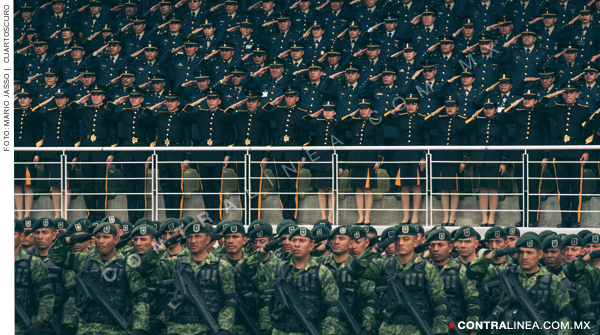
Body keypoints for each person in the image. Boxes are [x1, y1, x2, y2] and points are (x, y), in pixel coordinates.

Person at [48, 222, 150, 335]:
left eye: (106, 237)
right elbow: (55, 256)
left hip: (116, 328)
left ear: (116, 239)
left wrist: (139, 328)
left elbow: (141, 297)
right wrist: (69, 240)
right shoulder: (85, 259)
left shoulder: (128, 263)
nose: (101, 241)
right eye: (98, 237)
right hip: (86, 328)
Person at [347, 223, 449, 334]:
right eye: (398, 240)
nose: (401, 243)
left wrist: (440, 332)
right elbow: (353, 270)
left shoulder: (427, 269)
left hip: (417, 329)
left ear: (415, 242)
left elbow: (440, 305)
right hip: (388, 329)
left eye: (406, 239)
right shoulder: (383, 265)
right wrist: (377, 248)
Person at [238, 226, 341, 334]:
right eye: (293, 240)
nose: (297, 244)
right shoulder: (277, 268)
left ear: (311, 246)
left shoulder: (322, 272)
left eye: (302, 241)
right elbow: (245, 270)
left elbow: (333, 309)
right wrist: (264, 249)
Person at [139, 221, 236, 335]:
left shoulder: (222, 266)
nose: (193, 241)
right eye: (189, 237)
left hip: (207, 329)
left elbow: (230, 301)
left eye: (197, 236)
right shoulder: (175, 263)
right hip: (177, 329)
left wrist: (225, 328)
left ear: (208, 240)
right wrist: (161, 247)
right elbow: (146, 270)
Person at [468, 235, 572, 334]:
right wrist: (495, 253)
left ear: (540, 254)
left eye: (529, 252)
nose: (524, 257)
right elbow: (473, 271)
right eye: (521, 253)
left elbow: (565, 316)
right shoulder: (505, 273)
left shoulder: (553, 281)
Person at [537, 82, 594, 228]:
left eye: (571, 92)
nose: (568, 95)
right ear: (562, 94)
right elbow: (538, 108)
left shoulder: (583, 110)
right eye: (566, 92)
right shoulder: (557, 108)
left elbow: (588, 131)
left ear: (577, 94)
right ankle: (564, 220)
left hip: (576, 152)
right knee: (561, 188)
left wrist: (587, 151)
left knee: (576, 188)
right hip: (560, 152)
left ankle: (575, 220)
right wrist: (552, 95)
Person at [496, 91, 551, 227]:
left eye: (530, 99)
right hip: (520, 155)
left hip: (536, 155)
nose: (527, 101)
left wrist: (545, 156)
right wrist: (512, 105)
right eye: (525, 99)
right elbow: (500, 118)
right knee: (522, 188)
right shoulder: (518, 113)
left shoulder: (541, 115)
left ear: (535, 100)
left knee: (533, 188)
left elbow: (546, 136)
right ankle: (524, 218)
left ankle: (533, 219)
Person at [64, 84, 118, 221]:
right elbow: (66, 112)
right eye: (93, 94)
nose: (95, 97)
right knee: (87, 186)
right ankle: (91, 215)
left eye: (98, 94)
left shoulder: (107, 111)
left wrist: (111, 153)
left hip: (102, 150)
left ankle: (101, 216)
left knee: (101, 186)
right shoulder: (85, 110)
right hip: (86, 150)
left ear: (103, 96)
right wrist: (78, 102)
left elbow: (114, 135)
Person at [182, 89, 235, 224]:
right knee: (206, 188)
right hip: (202, 155)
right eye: (209, 99)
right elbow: (181, 116)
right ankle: (208, 216)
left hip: (218, 154)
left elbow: (231, 137)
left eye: (214, 99)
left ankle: (217, 217)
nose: (211, 101)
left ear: (219, 101)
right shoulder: (201, 113)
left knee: (217, 188)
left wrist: (228, 155)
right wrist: (194, 104)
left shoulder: (223, 115)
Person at [257, 86, 309, 222]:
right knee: (282, 186)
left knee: (293, 186)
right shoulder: (278, 111)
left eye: (291, 96)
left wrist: (304, 155)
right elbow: (260, 115)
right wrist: (272, 103)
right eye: (286, 96)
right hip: (280, 152)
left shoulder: (302, 113)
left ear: (297, 98)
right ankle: (286, 216)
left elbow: (305, 136)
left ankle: (294, 216)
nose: (288, 98)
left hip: (295, 151)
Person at [220, 90, 271, 223]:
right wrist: (234, 106)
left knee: (255, 187)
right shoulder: (239, 115)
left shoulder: (262, 117)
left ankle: (255, 218)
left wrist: (265, 157)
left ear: (259, 103)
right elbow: (223, 118)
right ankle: (245, 217)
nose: (250, 104)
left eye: (253, 101)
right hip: (241, 153)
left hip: (256, 153)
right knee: (243, 187)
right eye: (248, 101)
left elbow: (268, 140)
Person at [105, 87, 155, 222]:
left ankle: (141, 217)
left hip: (141, 151)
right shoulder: (125, 112)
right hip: (127, 152)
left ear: (142, 99)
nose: (133, 99)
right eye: (131, 97)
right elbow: (106, 115)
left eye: (136, 97)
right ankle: (131, 217)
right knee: (129, 188)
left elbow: (152, 136)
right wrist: (115, 103)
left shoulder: (146, 113)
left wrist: (150, 155)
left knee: (141, 187)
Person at [140, 90, 192, 218]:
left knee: (176, 186)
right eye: (168, 101)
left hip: (177, 153)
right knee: (166, 186)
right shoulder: (161, 116)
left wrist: (187, 158)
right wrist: (152, 108)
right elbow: (142, 119)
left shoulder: (182, 117)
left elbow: (187, 139)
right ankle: (169, 216)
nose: (169, 103)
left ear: (178, 103)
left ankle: (177, 216)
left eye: (172, 101)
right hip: (163, 154)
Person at [28, 89, 79, 219]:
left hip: (67, 152)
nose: (59, 100)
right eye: (56, 98)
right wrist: (42, 104)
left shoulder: (71, 114)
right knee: (54, 184)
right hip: (50, 152)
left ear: (67, 99)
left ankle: (64, 213)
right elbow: (30, 115)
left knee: (66, 184)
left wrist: (75, 155)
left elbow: (76, 137)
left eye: (61, 97)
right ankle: (57, 214)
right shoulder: (50, 113)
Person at [319, 225, 376, 334]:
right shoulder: (320, 264)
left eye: (341, 238)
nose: (336, 242)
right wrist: (324, 245)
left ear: (350, 244)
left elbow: (369, 299)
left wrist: (368, 326)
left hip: (351, 327)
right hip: (323, 327)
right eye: (333, 239)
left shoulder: (359, 267)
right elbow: (300, 257)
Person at [335, 99, 385, 225]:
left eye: (366, 108)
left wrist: (379, 160)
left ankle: (367, 216)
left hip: (369, 159)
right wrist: (349, 116)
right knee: (358, 188)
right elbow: (337, 125)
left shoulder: (375, 123)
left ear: (370, 110)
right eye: (361, 108)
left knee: (367, 188)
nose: (363, 111)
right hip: (354, 159)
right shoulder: (354, 122)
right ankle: (360, 216)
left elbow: (380, 143)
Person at [424, 96, 470, 226]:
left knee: (454, 188)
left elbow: (466, 142)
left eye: (452, 106)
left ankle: (452, 216)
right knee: (444, 188)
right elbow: (424, 123)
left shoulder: (462, 121)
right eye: (447, 106)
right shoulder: (440, 120)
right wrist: (435, 112)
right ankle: (445, 216)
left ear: (457, 108)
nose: (450, 108)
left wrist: (464, 159)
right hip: (441, 158)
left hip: (455, 158)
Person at [384, 93, 429, 224]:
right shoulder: (401, 117)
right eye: (408, 104)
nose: (410, 106)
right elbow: (384, 120)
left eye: (413, 104)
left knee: (416, 185)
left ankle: (415, 215)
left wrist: (423, 157)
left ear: (418, 106)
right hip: (402, 155)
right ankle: (406, 216)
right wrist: (394, 110)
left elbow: (426, 140)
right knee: (404, 186)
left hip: (416, 156)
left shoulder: (422, 119)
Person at [297, 101, 345, 222]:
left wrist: (341, 165)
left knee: (331, 188)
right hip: (318, 159)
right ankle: (323, 216)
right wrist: (311, 116)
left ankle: (330, 215)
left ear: (334, 113)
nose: (327, 112)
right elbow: (300, 124)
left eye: (330, 111)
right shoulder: (318, 123)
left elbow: (342, 146)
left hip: (332, 159)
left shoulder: (338, 124)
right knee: (320, 188)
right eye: (325, 110)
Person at [541, 234, 599, 335]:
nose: (569, 253)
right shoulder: (537, 276)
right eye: (547, 252)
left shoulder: (578, 277)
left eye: (574, 249)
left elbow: (586, 313)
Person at [464, 99, 509, 226]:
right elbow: (463, 127)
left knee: (493, 188)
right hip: (480, 158)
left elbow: (505, 143)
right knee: (482, 188)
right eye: (486, 108)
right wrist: (474, 115)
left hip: (494, 158)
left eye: (491, 108)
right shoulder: (479, 121)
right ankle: (484, 217)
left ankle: (492, 217)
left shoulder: (500, 123)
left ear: (496, 109)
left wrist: (503, 161)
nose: (488, 110)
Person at [426, 228, 480, 333]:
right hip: (427, 326)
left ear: (450, 247)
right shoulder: (422, 269)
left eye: (440, 245)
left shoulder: (461, 270)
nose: (436, 249)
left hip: (454, 326)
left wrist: (472, 330)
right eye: (432, 245)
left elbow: (472, 304)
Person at [14, 218, 56, 335]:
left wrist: (40, 321)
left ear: (22, 236)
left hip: (23, 325)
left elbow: (47, 295)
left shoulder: (34, 262)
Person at [14, 88, 44, 220]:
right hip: (15, 153)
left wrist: (37, 153)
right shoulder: (13, 113)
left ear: (30, 100)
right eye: (20, 97)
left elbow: (39, 136)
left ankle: (27, 214)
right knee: (16, 184)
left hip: (29, 152)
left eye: (25, 97)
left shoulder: (34, 114)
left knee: (28, 183)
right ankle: (20, 215)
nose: (22, 100)